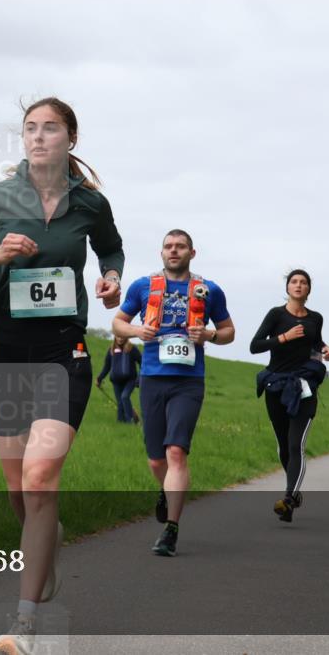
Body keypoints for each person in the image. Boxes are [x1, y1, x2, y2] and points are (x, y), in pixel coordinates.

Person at [0, 97, 124, 655]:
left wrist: (111, 279)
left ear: (71, 138)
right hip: (8, 347)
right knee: (19, 489)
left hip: (64, 348)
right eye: (30, 128)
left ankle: (23, 626)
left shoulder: (90, 202)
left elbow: (111, 248)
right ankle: (45, 540)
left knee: (41, 477)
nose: (39, 136)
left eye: (50, 128)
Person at [112, 230, 234, 556]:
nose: (174, 251)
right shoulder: (143, 286)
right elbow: (117, 323)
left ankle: (171, 530)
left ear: (192, 253)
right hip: (152, 379)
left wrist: (208, 335)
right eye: (168, 246)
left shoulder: (209, 290)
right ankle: (168, 491)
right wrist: (137, 330)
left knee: (176, 452)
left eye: (180, 246)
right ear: (161, 253)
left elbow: (229, 331)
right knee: (156, 460)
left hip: (188, 382)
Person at [250, 269, 329, 523]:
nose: (298, 285)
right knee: (284, 446)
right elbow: (255, 346)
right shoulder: (276, 314)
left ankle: (288, 498)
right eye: (294, 282)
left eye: (303, 282)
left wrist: (324, 348)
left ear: (309, 289)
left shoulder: (316, 318)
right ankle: (294, 493)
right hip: (276, 384)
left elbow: (315, 342)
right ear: (287, 288)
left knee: (296, 444)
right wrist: (284, 337)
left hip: (303, 386)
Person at [96, 335, 142, 423]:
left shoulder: (132, 349)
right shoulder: (111, 350)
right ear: (115, 337)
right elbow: (106, 367)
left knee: (124, 397)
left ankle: (130, 420)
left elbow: (142, 362)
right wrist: (99, 378)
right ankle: (120, 421)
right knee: (120, 402)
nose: (120, 339)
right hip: (116, 381)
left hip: (130, 380)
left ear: (126, 337)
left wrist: (140, 377)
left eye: (122, 337)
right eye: (118, 337)